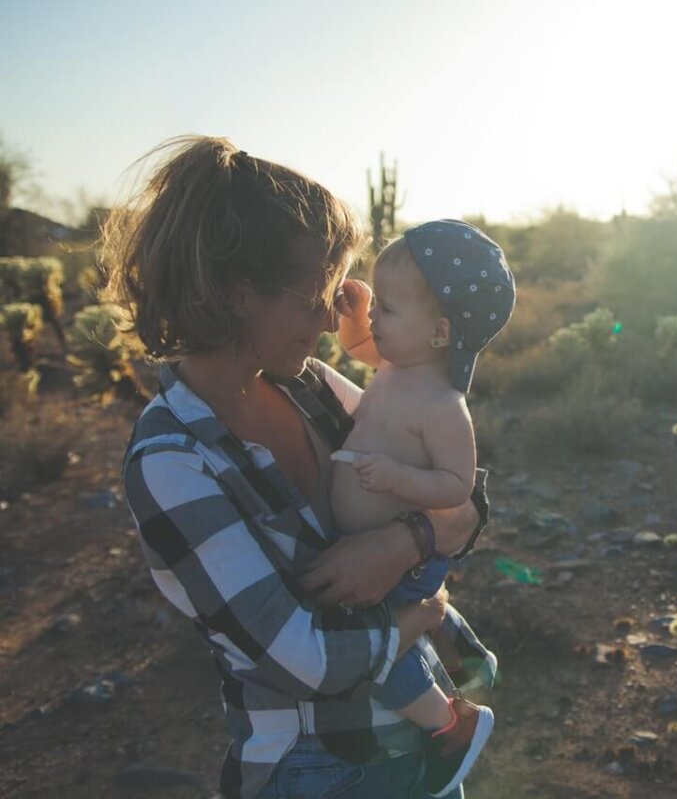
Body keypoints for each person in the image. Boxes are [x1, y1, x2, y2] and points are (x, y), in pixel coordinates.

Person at [103, 135, 493, 799]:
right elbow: (303, 658)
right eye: (314, 297)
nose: (327, 319)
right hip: (321, 767)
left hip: (417, 744)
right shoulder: (172, 461)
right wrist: (417, 616)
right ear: (237, 295)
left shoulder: (310, 386)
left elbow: (466, 500)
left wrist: (406, 541)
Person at [328, 222, 514, 796]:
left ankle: (449, 724)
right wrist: (357, 314)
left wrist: (399, 477)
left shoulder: (441, 405)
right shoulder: (396, 366)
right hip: (385, 553)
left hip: (399, 561)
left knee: (380, 645)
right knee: (408, 618)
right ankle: (462, 645)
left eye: (388, 308)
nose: (377, 321)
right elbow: (361, 346)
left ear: (438, 332)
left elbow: (457, 485)